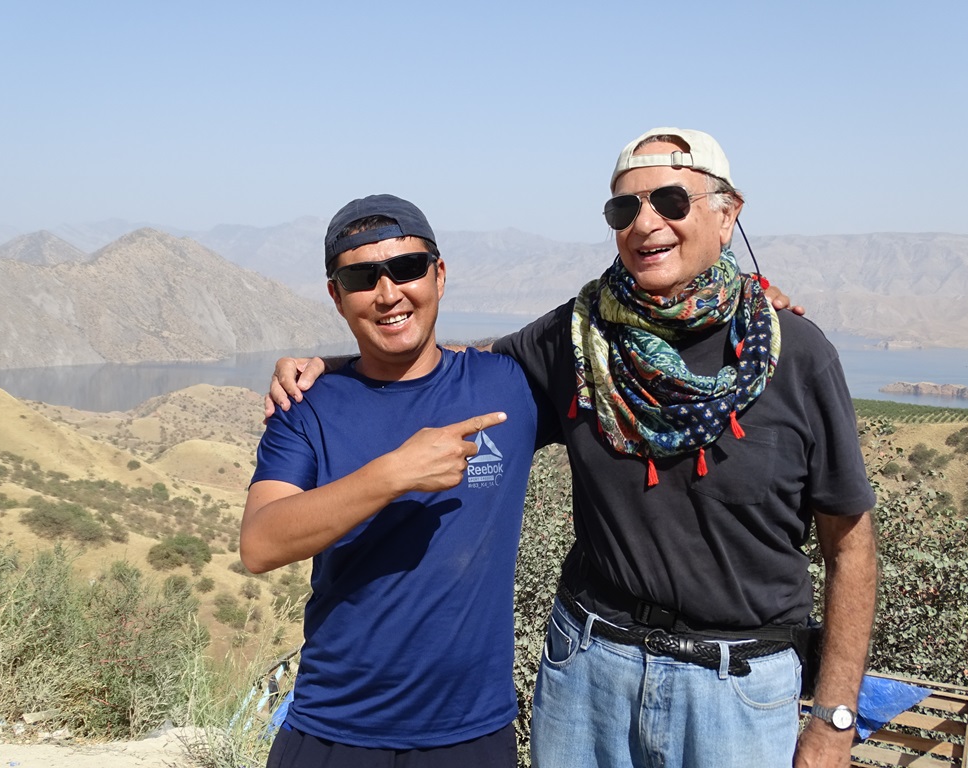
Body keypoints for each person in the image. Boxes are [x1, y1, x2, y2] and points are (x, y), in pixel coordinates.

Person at [269, 128, 876, 768]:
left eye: (671, 201)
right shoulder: (576, 338)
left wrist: (834, 718)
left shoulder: (794, 354)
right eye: (625, 208)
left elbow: (851, 542)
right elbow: (441, 371)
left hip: (738, 691)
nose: (646, 224)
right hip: (589, 673)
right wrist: (330, 367)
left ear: (727, 216)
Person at [241, 194, 555, 768]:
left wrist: (762, 302)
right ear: (337, 297)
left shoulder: (507, 385)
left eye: (407, 268)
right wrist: (392, 473)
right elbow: (261, 543)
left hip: (472, 733)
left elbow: (630, 330)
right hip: (335, 728)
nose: (389, 293)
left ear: (438, 275)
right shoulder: (307, 406)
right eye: (362, 278)